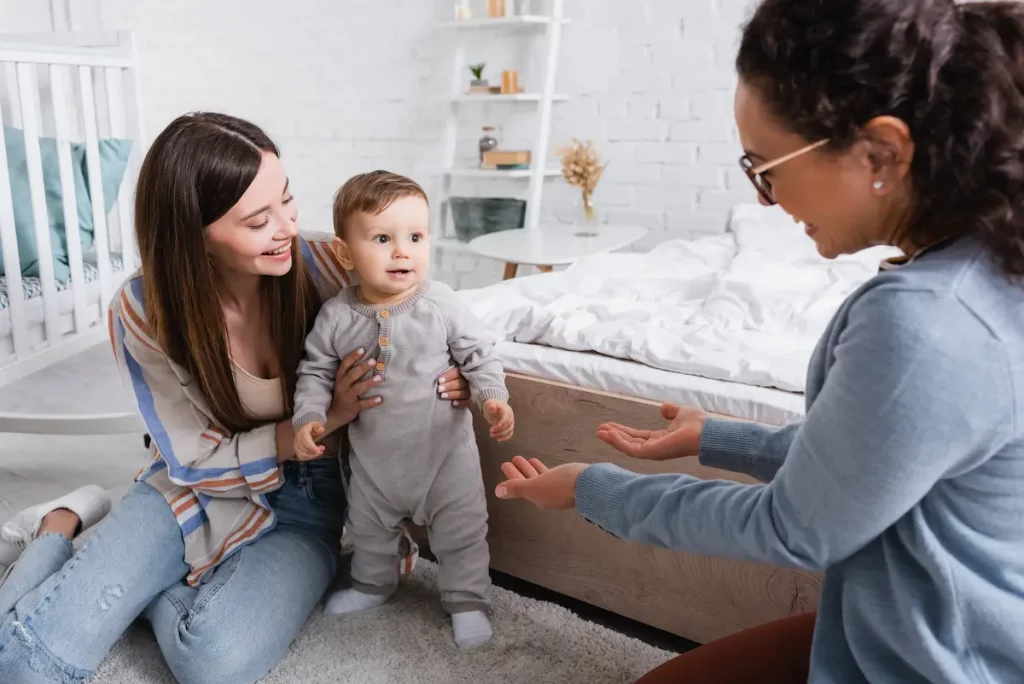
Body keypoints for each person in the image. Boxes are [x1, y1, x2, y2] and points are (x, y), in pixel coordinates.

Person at [495, 0, 1024, 682]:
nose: (767, 199)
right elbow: (871, 464)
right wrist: (717, 435)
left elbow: (796, 526)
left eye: (767, 165)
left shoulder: (925, 322)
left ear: (882, 151)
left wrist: (591, 489)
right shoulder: (986, 265)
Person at [0, 112, 475, 684]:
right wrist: (328, 418)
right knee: (26, 666)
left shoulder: (330, 267)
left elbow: (437, 315)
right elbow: (191, 457)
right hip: (190, 487)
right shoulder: (145, 310)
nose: (287, 229)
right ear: (193, 235)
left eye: (288, 201)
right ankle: (61, 522)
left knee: (213, 663)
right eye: (258, 220)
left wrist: (463, 374)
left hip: (309, 501)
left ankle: (137, 582)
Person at [292, 170, 514, 649]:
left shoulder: (439, 303)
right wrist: (310, 418)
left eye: (415, 237)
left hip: (443, 458)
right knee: (369, 531)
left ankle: (468, 601)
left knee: (462, 534)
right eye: (382, 238)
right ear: (345, 253)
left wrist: (491, 396)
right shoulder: (336, 316)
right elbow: (314, 373)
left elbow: (479, 353)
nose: (402, 251)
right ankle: (374, 584)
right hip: (376, 463)